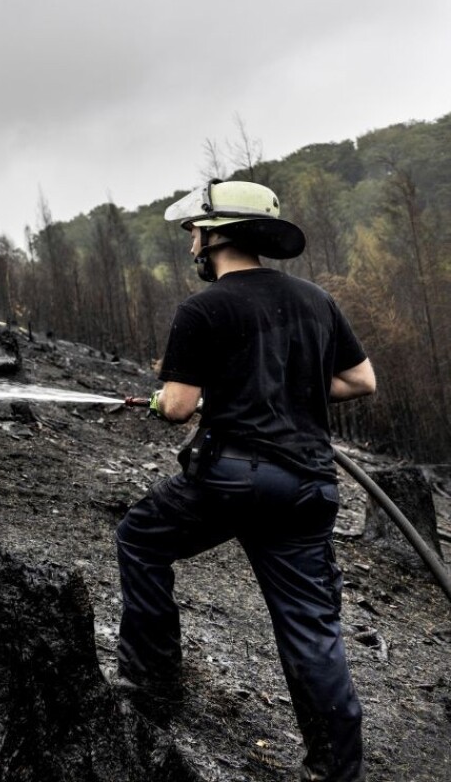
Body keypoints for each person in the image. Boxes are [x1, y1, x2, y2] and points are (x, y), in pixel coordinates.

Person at [114, 179, 376, 782]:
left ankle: (152, 685)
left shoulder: (203, 308)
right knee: (310, 627)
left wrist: (168, 400)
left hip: (232, 479)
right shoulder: (316, 300)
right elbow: (361, 380)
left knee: (140, 539)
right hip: (308, 485)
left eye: (195, 235)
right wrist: (282, 386)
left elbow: (178, 406)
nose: (191, 247)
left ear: (216, 236)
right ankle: (336, 771)